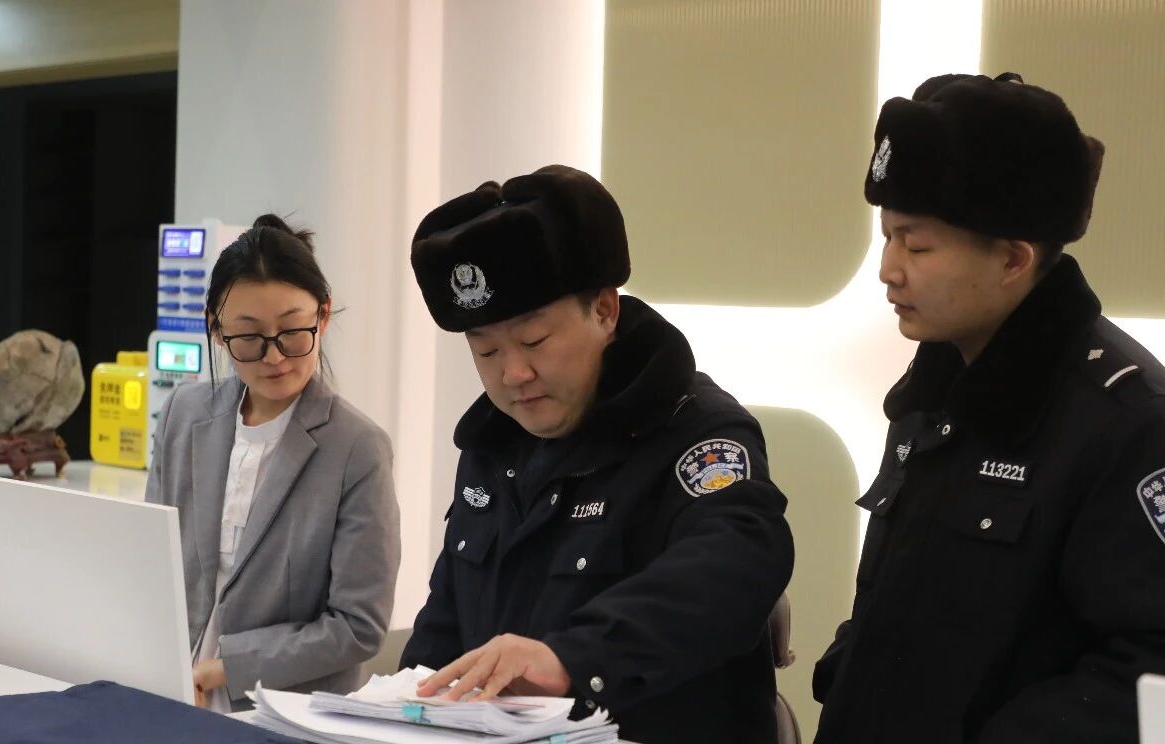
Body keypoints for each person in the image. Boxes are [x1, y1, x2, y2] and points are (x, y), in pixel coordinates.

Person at [813, 73, 1165, 743]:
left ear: (1012, 260)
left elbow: (1149, 669)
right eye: (887, 237)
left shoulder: (1127, 424)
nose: (888, 269)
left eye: (916, 245)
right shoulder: (934, 388)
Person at [400, 165, 794, 744]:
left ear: (605, 311)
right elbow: (444, 628)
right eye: (485, 352)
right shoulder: (492, 445)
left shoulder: (695, 432)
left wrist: (572, 660)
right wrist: (398, 711)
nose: (513, 374)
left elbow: (738, 565)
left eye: (534, 341)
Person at [146, 214, 401, 711]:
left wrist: (223, 670)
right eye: (249, 337)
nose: (275, 357)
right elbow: (150, 563)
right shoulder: (184, 414)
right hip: (170, 693)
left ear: (323, 316)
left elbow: (358, 625)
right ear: (216, 330)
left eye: (292, 332)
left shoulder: (357, 448)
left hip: (282, 712)